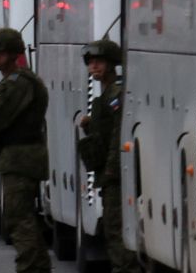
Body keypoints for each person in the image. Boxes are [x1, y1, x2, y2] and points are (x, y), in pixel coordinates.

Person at [0, 27, 49, 273]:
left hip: (21, 156)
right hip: (20, 156)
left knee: (18, 218)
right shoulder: (17, 82)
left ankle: (30, 267)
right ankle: (37, 266)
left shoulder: (18, 84)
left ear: (11, 53)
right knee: (21, 217)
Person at [78, 38, 133, 273]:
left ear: (111, 64)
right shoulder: (106, 95)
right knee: (113, 231)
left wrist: (111, 170)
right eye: (91, 62)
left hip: (116, 176)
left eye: (100, 61)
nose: (94, 66)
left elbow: (117, 137)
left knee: (116, 230)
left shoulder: (115, 95)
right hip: (110, 174)